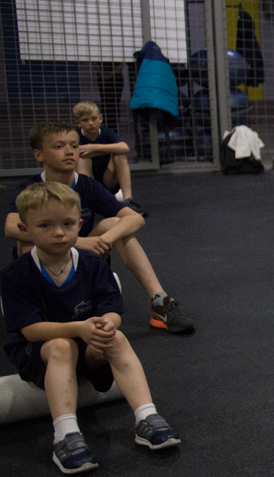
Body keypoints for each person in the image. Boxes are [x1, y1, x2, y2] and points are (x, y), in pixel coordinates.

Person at [1, 182, 180, 475]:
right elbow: (31, 331)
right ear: (25, 230)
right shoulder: (15, 275)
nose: (59, 233)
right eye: (45, 225)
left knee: (116, 337)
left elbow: (112, 310)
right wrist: (79, 328)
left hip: (87, 345)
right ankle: (66, 434)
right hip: (40, 353)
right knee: (62, 345)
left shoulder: (93, 264)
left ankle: (147, 416)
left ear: (80, 225)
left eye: (67, 224)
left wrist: (106, 325)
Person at [5, 122, 195, 334]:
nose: (69, 151)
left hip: (80, 258)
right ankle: (37, 306)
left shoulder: (87, 185)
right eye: (59, 146)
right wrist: (80, 242)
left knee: (114, 224)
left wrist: (104, 239)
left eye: (74, 146)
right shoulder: (29, 189)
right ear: (39, 154)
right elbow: (11, 227)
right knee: (26, 240)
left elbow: (135, 219)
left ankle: (159, 301)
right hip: (49, 257)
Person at [73, 101, 147, 217]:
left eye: (94, 119)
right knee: (82, 157)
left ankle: (128, 201)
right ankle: (85, 201)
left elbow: (124, 147)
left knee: (120, 154)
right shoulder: (75, 136)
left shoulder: (107, 133)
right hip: (88, 180)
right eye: (85, 120)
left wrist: (93, 148)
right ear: (78, 123)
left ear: (100, 118)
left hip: (107, 180)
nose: (91, 123)